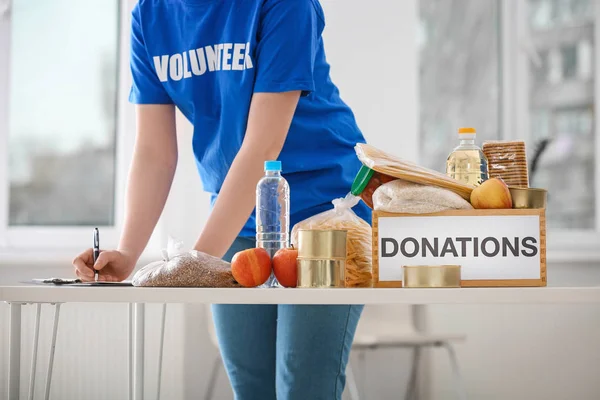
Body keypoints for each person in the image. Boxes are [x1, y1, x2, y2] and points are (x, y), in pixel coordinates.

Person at [73, 0, 371, 398]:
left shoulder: (284, 4)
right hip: (241, 219)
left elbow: (263, 145)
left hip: (327, 215)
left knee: (303, 386)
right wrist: (128, 253)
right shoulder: (150, 16)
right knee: (251, 387)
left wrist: (195, 263)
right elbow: (154, 153)